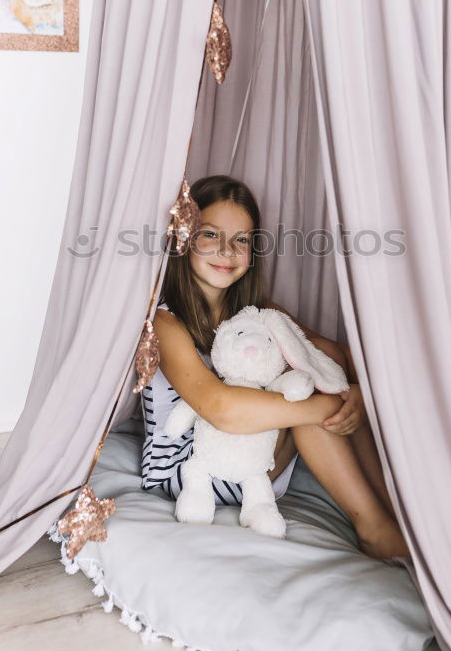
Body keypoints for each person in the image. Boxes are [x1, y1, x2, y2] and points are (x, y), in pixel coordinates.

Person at [141, 174, 410, 561]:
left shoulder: (259, 315)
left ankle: (398, 511)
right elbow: (221, 408)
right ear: (184, 241)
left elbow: (331, 354)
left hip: (254, 464)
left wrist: (361, 394)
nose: (227, 251)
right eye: (211, 235)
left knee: (324, 378)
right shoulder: (165, 323)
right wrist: (319, 406)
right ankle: (373, 528)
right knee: (314, 394)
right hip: (190, 471)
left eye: (242, 241)